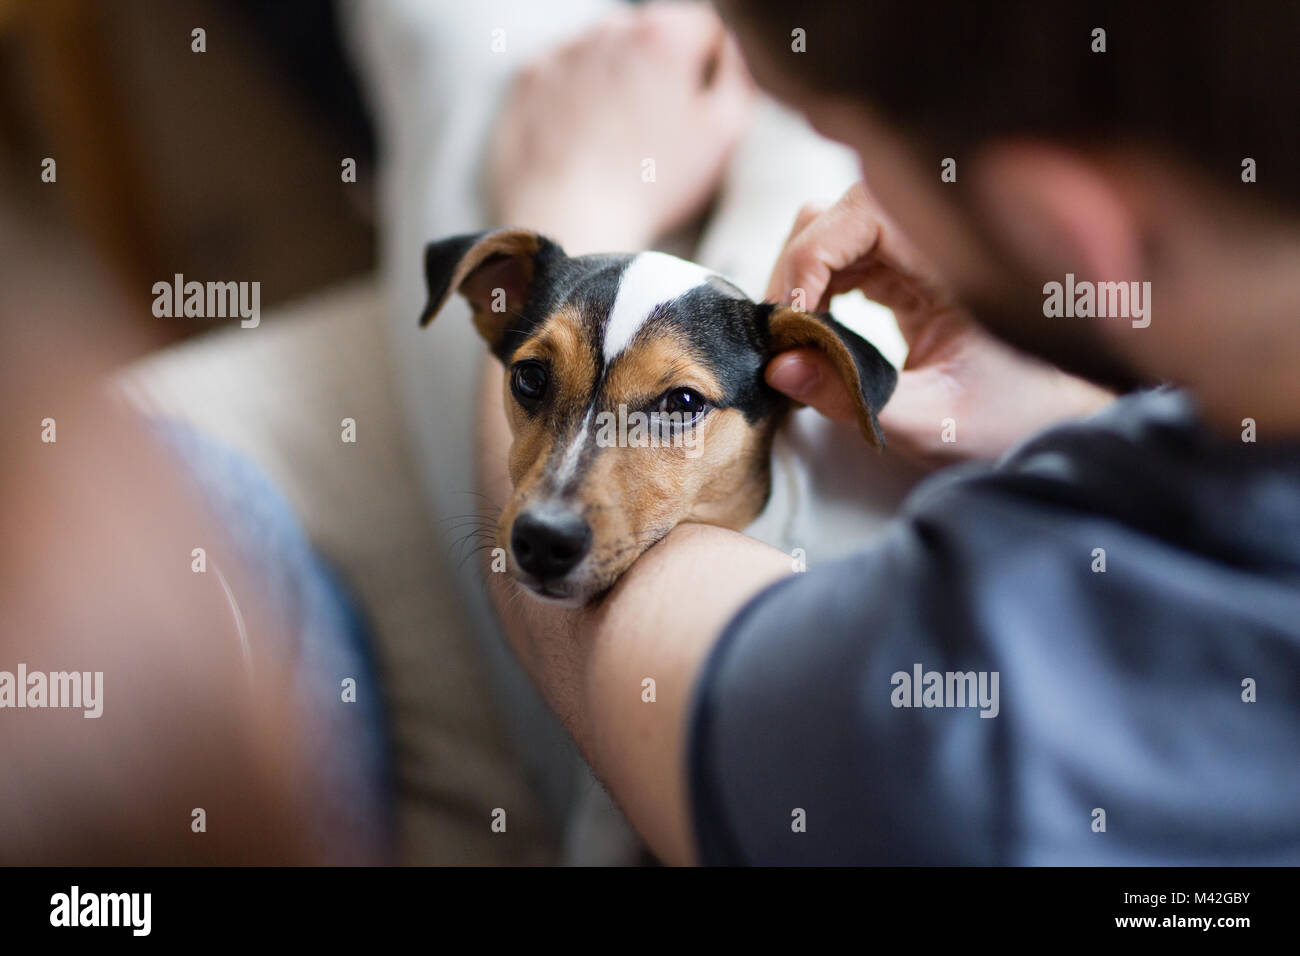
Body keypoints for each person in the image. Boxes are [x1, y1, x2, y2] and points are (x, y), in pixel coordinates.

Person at [479, 0, 1300, 864]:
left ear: (1059, 226)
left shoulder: (951, 700)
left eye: (858, 149)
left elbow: (617, 659)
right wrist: (1083, 404)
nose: (850, 193)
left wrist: (564, 196)